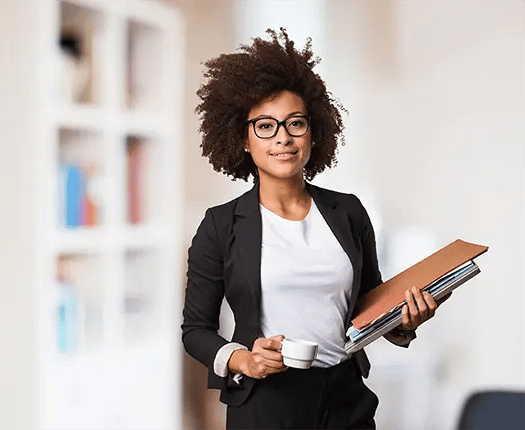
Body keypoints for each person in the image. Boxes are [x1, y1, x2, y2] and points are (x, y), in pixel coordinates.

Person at [181, 29, 447, 429]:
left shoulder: (348, 212)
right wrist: (244, 360)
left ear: (313, 130)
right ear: (243, 139)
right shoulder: (221, 225)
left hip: (345, 397)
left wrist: (403, 323)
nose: (283, 138)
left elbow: (366, 309)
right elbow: (195, 330)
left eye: (296, 123)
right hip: (266, 402)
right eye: (265, 126)